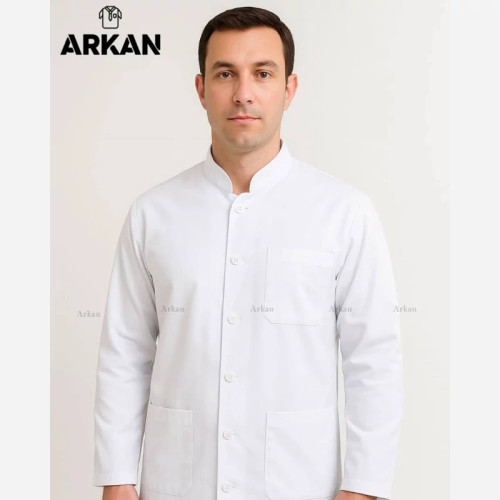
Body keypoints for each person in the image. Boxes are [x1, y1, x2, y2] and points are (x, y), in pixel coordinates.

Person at [93, 6, 404, 500]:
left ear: (289, 89)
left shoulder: (344, 212)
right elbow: (125, 353)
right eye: (225, 74)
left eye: (263, 73)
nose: (243, 93)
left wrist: (364, 487)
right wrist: (116, 479)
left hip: (299, 483)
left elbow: (374, 358)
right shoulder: (153, 214)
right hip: (179, 483)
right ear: (201, 89)